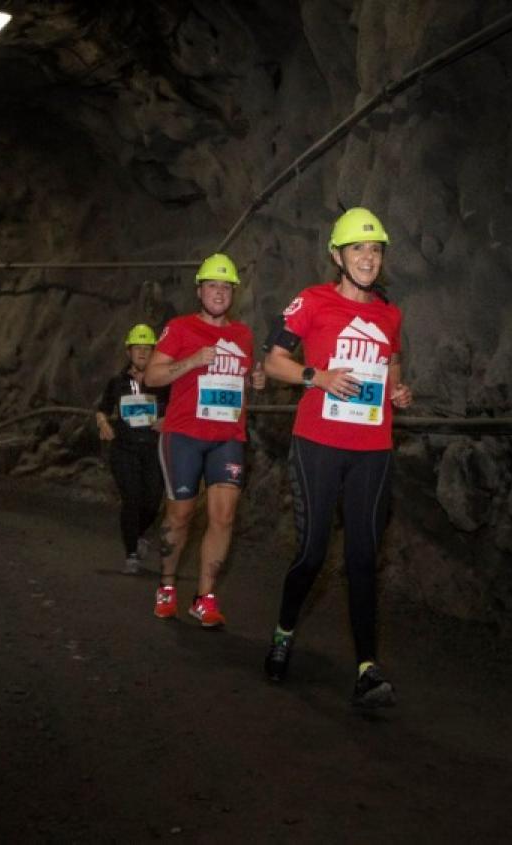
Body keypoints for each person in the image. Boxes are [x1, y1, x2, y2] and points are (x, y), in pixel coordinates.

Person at [260, 207, 414, 707]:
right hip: (319, 444)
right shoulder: (313, 301)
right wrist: (317, 377)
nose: (368, 258)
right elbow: (274, 360)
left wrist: (396, 391)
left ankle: (368, 668)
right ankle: (284, 632)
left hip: (372, 448)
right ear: (337, 255)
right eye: (358, 249)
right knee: (312, 554)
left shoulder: (389, 313)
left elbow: (391, 362)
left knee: (365, 557)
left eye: (375, 250)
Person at [143, 254, 264, 627]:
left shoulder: (242, 334)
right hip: (183, 435)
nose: (219, 292)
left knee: (223, 517)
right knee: (180, 516)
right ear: (200, 290)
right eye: (213, 285)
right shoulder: (180, 329)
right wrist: (193, 359)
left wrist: (254, 381)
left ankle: (205, 597)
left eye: (226, 287)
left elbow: (238, 379)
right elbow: (152, 377)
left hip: (227, 435)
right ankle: (167, 585)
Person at [96, 325, 167, 574]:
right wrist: (103, 422)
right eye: (138, 348)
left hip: (153, 449)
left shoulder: (163, 383)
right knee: (132, 498)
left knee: (152, 501)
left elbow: (180, 408)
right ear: (129, 351)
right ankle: (132, 555)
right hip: (124, 449)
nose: (142, 353)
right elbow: (102, 408)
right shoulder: (116, 383)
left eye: (148, 349)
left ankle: (136, 535)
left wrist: (168, 421)